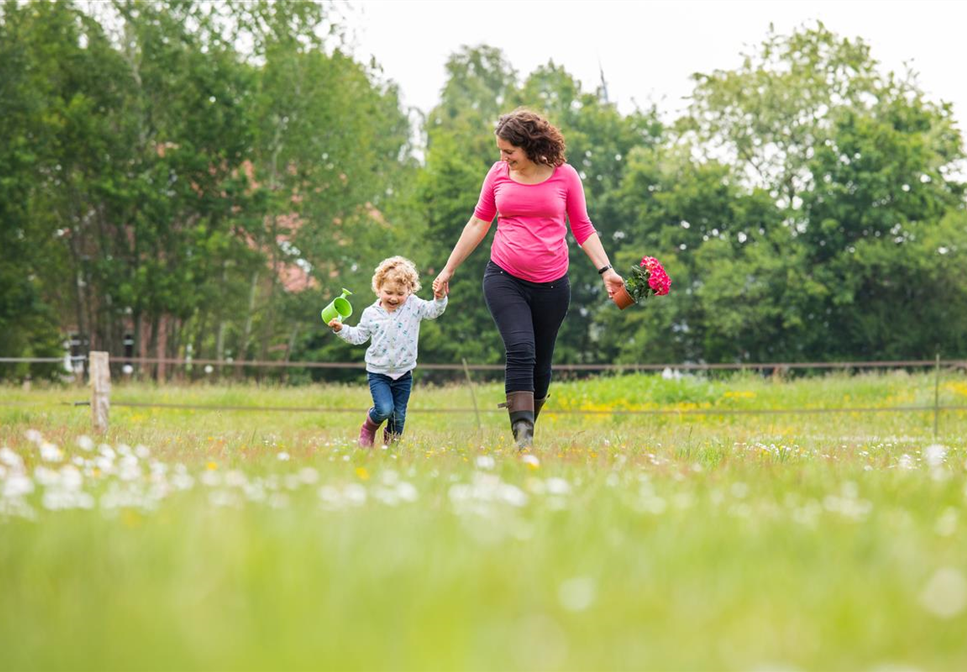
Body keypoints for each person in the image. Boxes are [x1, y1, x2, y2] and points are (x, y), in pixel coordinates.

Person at [432, 109, 624, 449]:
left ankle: (528, 425)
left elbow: (582, 227)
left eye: (509, 151)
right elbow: (478, 222)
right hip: (504, 276)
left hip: (553, 284)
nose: (503, 158)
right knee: (520, 349)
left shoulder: (565, 177)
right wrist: (449, 268)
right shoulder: (498, 174)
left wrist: (606, 270)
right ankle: (523, 438)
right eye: (501, 151)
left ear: (531, 146)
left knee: (542, 362)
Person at [330, 256, 447, 447]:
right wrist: (341, 329)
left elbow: (433, 311)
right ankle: (368, 427)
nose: (394, 298)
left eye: (400, 293)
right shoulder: (371, 313)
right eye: (388, 292)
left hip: (404, 372)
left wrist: (439, 298)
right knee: (384, 409)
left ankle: (391, 451)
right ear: (378, 288)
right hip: (379, 372)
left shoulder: (414, 306)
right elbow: (359, 336)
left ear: (410, 290)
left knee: (398, 416)